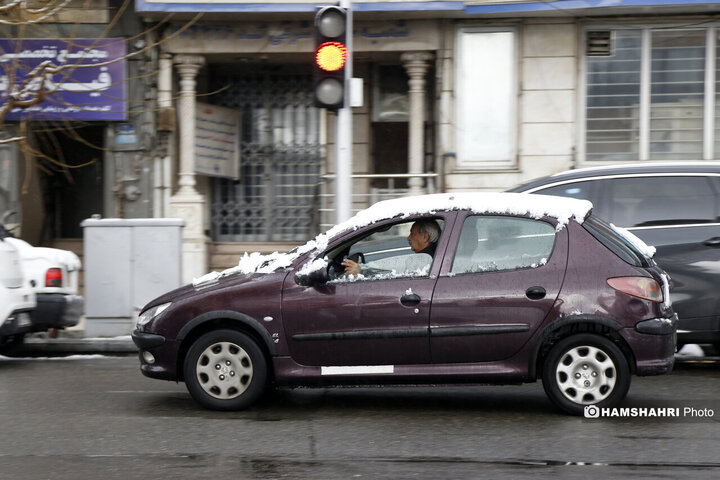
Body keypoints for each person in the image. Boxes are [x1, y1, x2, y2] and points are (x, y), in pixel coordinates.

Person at [341, 219, 441, 276]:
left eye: (412, 234)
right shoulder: (435, 256)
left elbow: (391, 270)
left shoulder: (424, 259)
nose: (408, 238)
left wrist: (361, 270)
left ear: (425, 237)